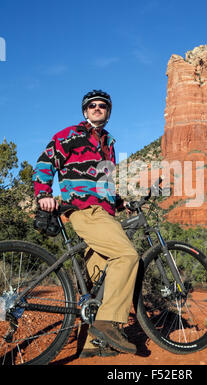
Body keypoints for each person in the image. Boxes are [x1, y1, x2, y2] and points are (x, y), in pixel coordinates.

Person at [32, 89, 139, 358]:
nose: (97, 108)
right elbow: (45, 161)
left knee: (102, 283)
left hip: (104, 213)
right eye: (92, 105)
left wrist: (120, 203)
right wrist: (43, 193)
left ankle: (94, 346)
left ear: (108, 111)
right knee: (127, 256)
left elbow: (105, 184)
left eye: (103, 105)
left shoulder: (108, 144)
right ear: (85, 111)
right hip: (85, 210)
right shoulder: (71, 135)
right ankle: (107, 323)